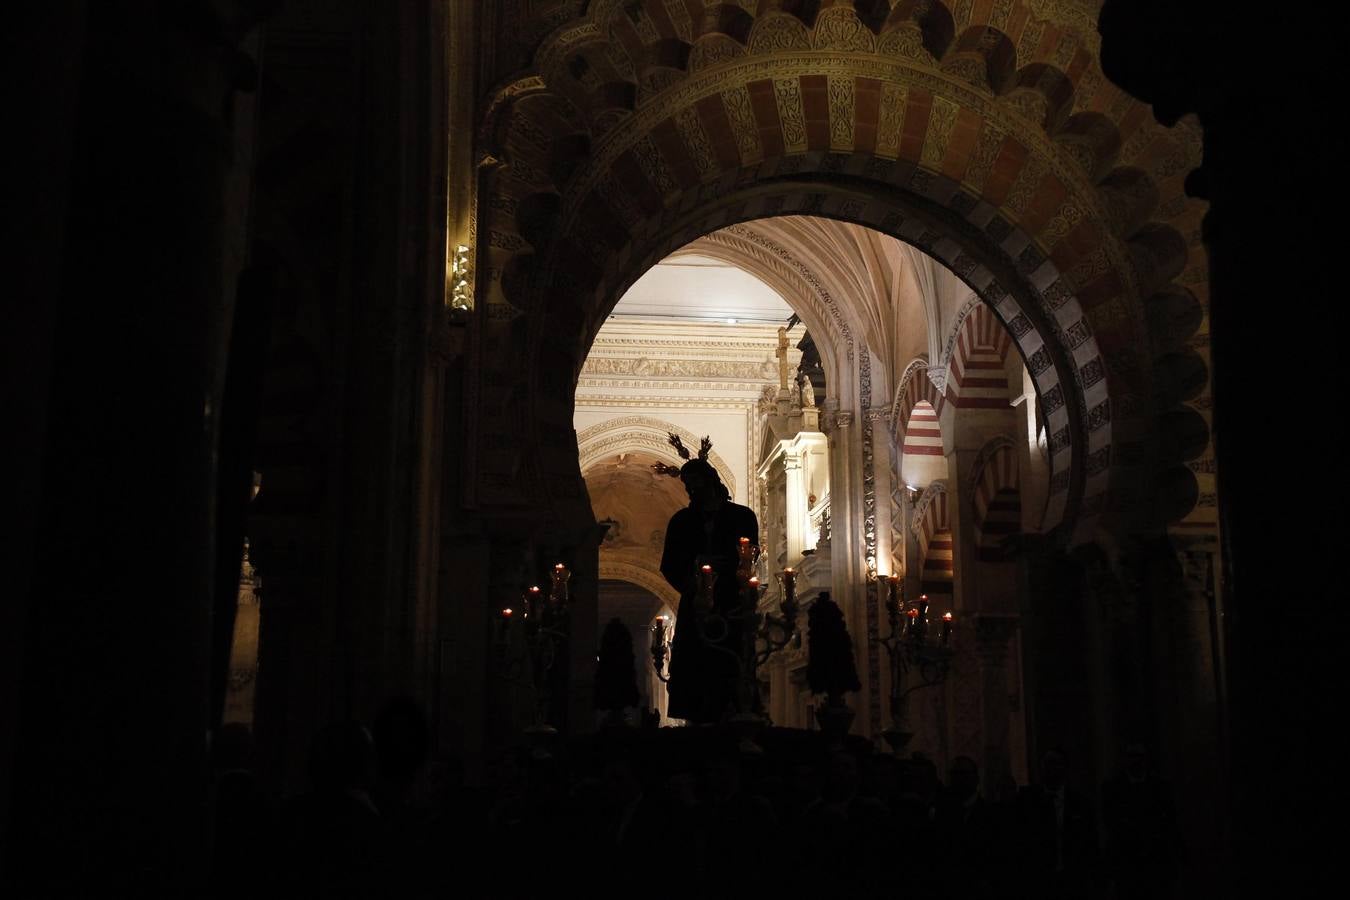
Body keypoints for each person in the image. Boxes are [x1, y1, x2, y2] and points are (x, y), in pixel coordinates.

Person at [658, 436, 758, 724]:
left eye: (697, 485)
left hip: (731, 602)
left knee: (732, 661)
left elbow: (750, 553)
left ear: (711, 481)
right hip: (697, 602)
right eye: (688, 487)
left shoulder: (741, 516)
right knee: (696, 664)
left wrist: (729, 568)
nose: (692, 491)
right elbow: (669, 564)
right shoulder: (681, 522)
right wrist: (695, 575)